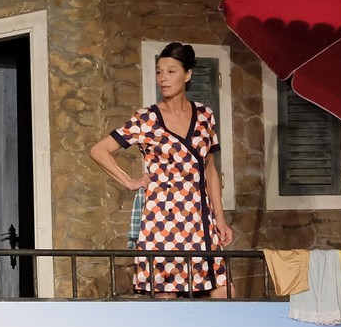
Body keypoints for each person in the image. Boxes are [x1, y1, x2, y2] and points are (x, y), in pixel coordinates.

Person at [88, 41, 233, 297]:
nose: (163, 78)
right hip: (163, 220)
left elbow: (210, 169)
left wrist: (220, 218)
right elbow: (99, 150)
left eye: (171, 71)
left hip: (200, 218)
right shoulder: (146, 119)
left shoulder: (205, 116)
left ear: (187, 75)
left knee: (224, 290)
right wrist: (130, 182)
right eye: (159, 72)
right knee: (167, 296)